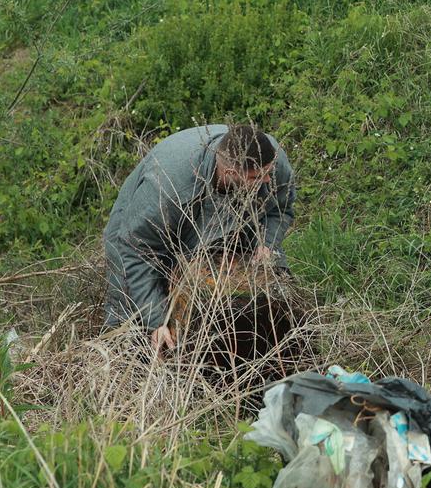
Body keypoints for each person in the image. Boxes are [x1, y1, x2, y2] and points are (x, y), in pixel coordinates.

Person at [103, 123, 295, 356]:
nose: (268, 180)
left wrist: (267, 243)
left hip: (230, 214)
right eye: (258, 176)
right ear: (231, 173)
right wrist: (156, 321)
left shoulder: (270, 160)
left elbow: (280, 209)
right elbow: (137, 251)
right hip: (140, 232)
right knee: (138, 324)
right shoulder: (168, 188)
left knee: (260, 299)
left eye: (269, 171)